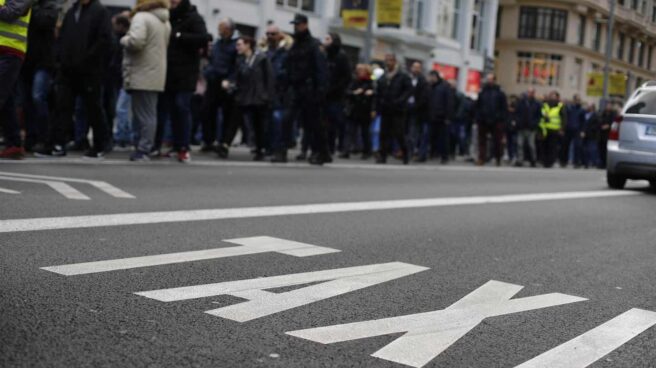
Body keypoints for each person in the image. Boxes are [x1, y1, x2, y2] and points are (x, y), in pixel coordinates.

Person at [35, 0, 112, 159]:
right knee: (62, 107)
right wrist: (60, 60)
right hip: (68, 70)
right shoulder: (72, 11)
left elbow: (104, 41)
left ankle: (100, 145)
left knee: (93, 108)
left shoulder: (99, 11)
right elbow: (63, 38)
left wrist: (89, 60)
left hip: (90, 71)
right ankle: (56, 144)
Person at [154, 0, 208, 163]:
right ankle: (162, 144)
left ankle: (183, 147)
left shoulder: (194, 17)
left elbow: (202, 38)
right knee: (164, 109)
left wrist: (178, 36)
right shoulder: (167, 17)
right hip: (168, 72)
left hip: (186, 73)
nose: (173, 2)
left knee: (181, 107)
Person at [121, 0, 171, 161]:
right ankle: (145, 147)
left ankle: (142, 148)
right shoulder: (165, 21)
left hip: (141, 71)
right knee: (149, 113)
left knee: (141, 114)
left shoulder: (141, 17)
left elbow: (136, 41)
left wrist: (124, 39)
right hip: (156, 73)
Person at [276, 13, 328, 165]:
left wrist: (320, 91)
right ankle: (281, 150)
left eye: (298, 24)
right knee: (286, 119)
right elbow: (288, 66)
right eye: (294, 25)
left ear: (305, 25)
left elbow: (321, 69)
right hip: (295, 88)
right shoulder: (295, 44)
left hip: (309, 89)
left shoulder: (313, 45)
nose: (296, 27)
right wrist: (284, 85)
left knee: (313, 124)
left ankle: (320, 152)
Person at [17, 0, 57, 153]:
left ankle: (43, 138)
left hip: (43, 62)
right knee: (27, 102)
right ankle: (31, 138)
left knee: (38, 98)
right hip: (26, 61)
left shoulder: (50, 8)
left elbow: (43, 22)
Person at [230, 35, 274, 161]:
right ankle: (255, 146)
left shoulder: (261, 58)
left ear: (248, 44)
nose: (237, 47)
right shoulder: (241, 60)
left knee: (259, 124)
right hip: (246, 96)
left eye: (240, 44)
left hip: (259, 97)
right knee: (247, 122)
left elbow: (269, 78)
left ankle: (261, 148)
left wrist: (267, 96)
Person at [0, 0, 33, 159]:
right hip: (5, 51)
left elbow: (9, 13)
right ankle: (14, 144)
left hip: (11, 51)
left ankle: (14, 143)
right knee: (8, 100)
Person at [202, 18, 236, 156]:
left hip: (225, 83)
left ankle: (222, 142)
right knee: (207, 111)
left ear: (228, 29)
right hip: (213, 82)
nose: (218, 29)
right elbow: (211, 60)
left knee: (226, 115)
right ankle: (209, 141)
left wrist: (229, 80)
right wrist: (208, 72)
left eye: (221, 27)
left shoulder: (234, 46)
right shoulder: (217, 44)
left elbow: (235, 66)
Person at [261, 24, 292, 161]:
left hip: (281, 92)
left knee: (277, 120)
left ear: (280, 35)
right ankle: (268, 147)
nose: (269, 36)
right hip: (267, 90)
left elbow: (285, 71)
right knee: (267, 121)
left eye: (272, 34)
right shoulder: (264, 51)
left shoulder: (285, 52)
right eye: (268, 34)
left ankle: (278, 148)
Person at [376, 53, 412, 165]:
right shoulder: (383, 76)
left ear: (395, 62)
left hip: (398, 109)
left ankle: (405, 154)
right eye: (386, 60)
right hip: (386, 109)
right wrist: (380, 103)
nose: (388, 62)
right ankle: (382, 156)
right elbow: (379, 91)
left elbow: (408, 91)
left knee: (399, 133)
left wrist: (400, 101)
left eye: (390, 60)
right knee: (383, 133)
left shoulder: (403, 76)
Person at [324, 32, 351, 158]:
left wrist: (335, 89)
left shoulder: (341, 56)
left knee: (333, 123)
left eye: (328, 39)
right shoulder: (325, 55)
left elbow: (346, 77)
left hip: (336, 96)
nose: (325, 41)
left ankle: (331, 147)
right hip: (325, 94)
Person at [475, 73, 507, 166]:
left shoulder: (500, 93)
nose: (489, 81)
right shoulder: (483, 92)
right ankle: (482, 158)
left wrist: (500, 118)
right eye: (488, 79)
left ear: (494, 80)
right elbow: (478, 106)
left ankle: (498, 158)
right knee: (482, 140)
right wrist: (479, 117)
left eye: (490, 79)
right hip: (483, 120)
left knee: (497, 141)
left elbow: (503, 108)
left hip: (496, 120)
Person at [344, 63, 375, 159]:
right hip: (354, 110)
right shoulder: (354, 81)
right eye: (359, 70)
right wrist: (354, 93)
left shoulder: (371, 82)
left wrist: (372, 93)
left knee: (365, 132)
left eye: (362, 70)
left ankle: (367, 151)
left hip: (365, 111)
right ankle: (346, 150)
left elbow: (376, 96)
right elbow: (347, 92)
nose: (359, 72)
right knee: (350, 131)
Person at [112, 12, 132, 149]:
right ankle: (124, 135)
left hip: (126, 76)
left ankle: (122, 136)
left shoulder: (124, 40)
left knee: (122, 109)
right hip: (124, 76)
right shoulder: (122, 39)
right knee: (124, 109)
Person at [427, 70, 454, 164]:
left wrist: (448, 117)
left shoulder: (444, 87)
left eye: (432, 77)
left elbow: (449, 102)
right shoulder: (431, 87)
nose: (431, 79)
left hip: (442, 117)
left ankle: (444, 156)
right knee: (433, 137)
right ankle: (433, 153)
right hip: (433, 116)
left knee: (444, 138)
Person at [406, 61, 430, 162]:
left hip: (417, 111)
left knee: (413, 133)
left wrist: (416, 106)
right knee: (406, 132)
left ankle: (411, 152)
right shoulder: (407, 79)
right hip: (406, 109)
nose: (415, 69)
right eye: (414, 67)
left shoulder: (423, 81)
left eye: (417, 67)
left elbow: (424, 97)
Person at [514, 87, 541, 167]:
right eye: (528, 92)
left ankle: (533, 160)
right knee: (520, 144)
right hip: (521, 127)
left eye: (531, 92)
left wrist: (534, 123)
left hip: (531, 128)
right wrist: (518, 122)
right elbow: (517, 113)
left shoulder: (537, 104)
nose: (529, 94)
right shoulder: (521, 102)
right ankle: (520, 160)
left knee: (531, 145)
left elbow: (538, 116)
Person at [539, 91, 567, 168]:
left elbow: (563, 118)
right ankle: (544, 161)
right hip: (545, 129)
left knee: (552, 147)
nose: (552, 97)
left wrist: (562, 128)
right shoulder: (545, 105)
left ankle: (550, 161)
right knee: (544, 146)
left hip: (555, 129)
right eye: (551, 96)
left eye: (554, 96)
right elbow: (541, 114)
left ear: (557, 97)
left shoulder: (560, 106)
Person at [561, 94, 585, 168]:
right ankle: (563, 161)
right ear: (574, 100)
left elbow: (583, 121)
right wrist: (562, 128)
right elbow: (564, 118)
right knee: (565, 146)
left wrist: (582, 131)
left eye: (579, 100)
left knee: (577, 146)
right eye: (577, 100)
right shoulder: (568, 108)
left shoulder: (581, 110)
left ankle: (576, 162)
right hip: (568, 129)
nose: (578, 101)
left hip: (577, 130)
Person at [581, 103, 600, 169]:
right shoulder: (585, 114)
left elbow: (596, 125)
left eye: (589, 106)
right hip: (585, 135)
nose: (587, 107)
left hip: (592, 135)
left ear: (592, 108)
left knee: (592, 150)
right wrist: (583, 131)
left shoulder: (596, 115)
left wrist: (587, 131)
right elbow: (583, 124)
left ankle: (595, 162)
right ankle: (586, 163)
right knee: (585, 150)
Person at [598, 103, 616, 169]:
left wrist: (608, 126)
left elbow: (613, 123)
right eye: (607, 106)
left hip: (608, 134)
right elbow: (599, 121)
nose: (608, 107)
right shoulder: (602, 113)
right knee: (601, 149)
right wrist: (601, 126)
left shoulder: (613, 114)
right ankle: (601, 163)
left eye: (609, 106)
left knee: (606, 150)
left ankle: (606, 164)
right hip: (601, 134)